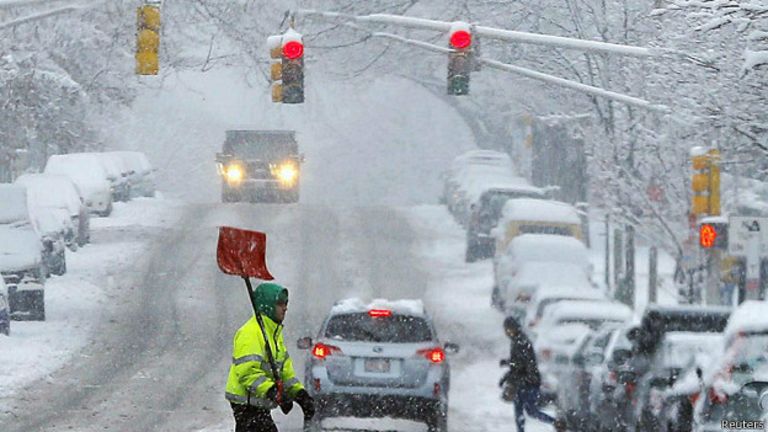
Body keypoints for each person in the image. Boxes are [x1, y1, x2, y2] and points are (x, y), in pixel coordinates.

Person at [225, 282, 315, 432]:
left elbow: (285, 373)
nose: (285, 308)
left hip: (259, 405)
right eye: (280, 304)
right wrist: (273, 392)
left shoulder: (273, 335)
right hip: (247, 404)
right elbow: (248, 373)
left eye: (286, 303)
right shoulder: (251, 333)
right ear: (267, 305)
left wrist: (299, 394)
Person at [499, 316, 557, 432]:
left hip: (528, 382)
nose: (506, 332)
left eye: (508, 329)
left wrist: (508, 363)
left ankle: (556, 423)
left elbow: (521, 364)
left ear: (513, 328)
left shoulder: (521, 342)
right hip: (523, 381)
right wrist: (507, 376)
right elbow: (518, 365)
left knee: (530, 411)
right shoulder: (517, 341)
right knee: (521, 411)